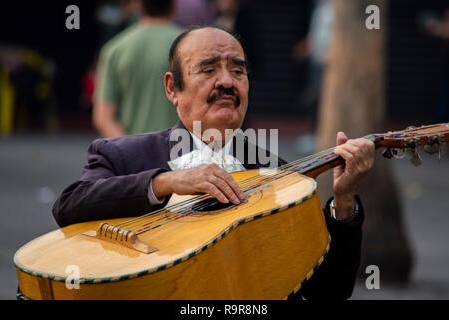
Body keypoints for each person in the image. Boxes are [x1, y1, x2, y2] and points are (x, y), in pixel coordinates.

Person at [53, 26, 375, 300]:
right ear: (172, 88)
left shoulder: (280, 175)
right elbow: (69, 205)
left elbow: (328, 291)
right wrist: (164, 182)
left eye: (238, 70)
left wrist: (344, 202)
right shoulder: (123, 155)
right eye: (208, 70)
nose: (227, 82)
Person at [93, 0, 183, 137]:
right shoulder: (191, 47)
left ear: (139, 5)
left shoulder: (115, 49)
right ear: (174, 5)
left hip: (133, 150)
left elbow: (104, 118)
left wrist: (131, 151)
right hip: (180, 151)